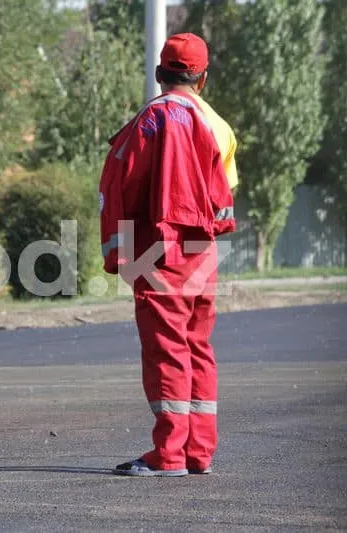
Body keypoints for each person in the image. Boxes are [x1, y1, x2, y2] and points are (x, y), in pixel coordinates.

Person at [98, 33, 237, 477]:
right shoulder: (216, 125)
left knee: (167, 351)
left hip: (161, 251)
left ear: (159, 73)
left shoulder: (151, 119)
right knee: (197, 348)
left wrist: (121, 254)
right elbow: (223, 194)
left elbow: (121, 188)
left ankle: (169, 454)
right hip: (204, 251)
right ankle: (198, 452)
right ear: (203, 79)